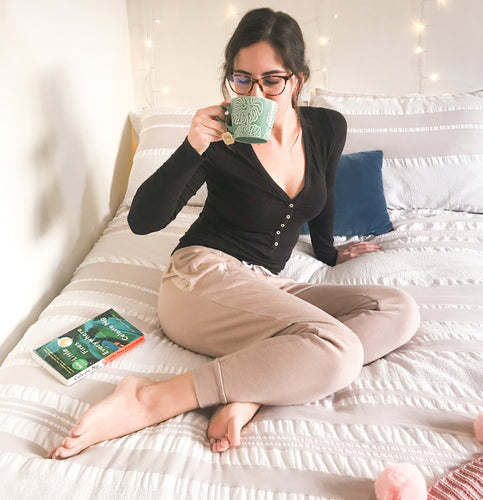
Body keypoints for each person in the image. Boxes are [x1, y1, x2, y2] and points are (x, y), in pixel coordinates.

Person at [49, 8, 420, 459]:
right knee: (337, 348)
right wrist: (191, 147)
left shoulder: (326, 127)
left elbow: (325, 199)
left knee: (397, 309)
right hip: (201, 279)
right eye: (242, 79)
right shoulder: (221, 137)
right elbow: (143, 221)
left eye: (271, 80)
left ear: (298, 79)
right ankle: (151, 399)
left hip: (264, 284)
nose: (256, 93)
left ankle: (251, 393)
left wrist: (328, 253)